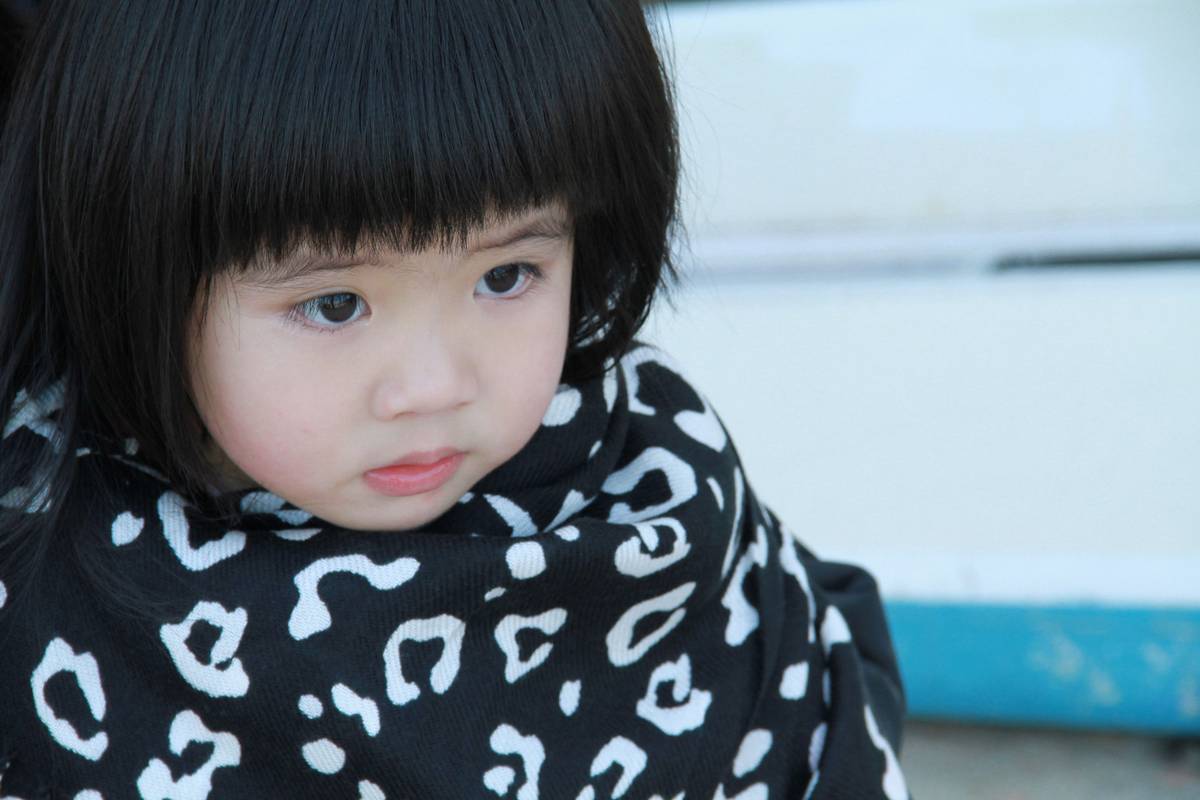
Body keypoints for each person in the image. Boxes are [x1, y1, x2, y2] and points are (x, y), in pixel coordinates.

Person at [0, 2, 909, 797]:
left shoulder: (651, 493)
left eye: (506, 276)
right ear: (142, 278)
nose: (434, 386)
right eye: (334, 304)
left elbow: (817, 718)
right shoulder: (51, 561)